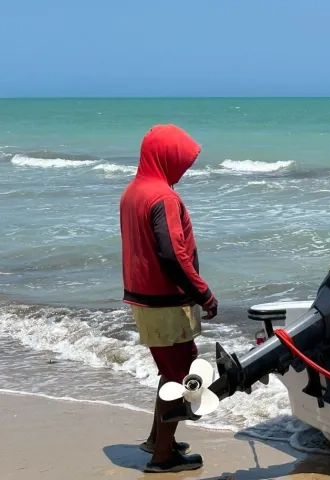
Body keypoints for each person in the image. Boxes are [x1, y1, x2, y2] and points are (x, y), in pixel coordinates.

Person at [119, 124, 218, 473]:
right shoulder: (163, 198)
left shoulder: (133, 191)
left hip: (143, 298)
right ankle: (163, 457)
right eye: (181, 162)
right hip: (164, 300)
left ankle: (157, 439)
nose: (183, 170)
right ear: (165, 157)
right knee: (179, 374)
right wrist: (203, 293)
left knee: (168, 370)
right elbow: (172, 255)